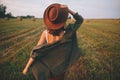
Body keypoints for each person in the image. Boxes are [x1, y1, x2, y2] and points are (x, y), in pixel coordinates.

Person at [22, 3, 83, 80]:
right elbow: (80, 19)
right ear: (64, 20)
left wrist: (27, 68)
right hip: (60, 69)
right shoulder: (69, 32)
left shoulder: (45, 33)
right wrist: (68, 10)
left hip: (47, 69)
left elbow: (36, 52)